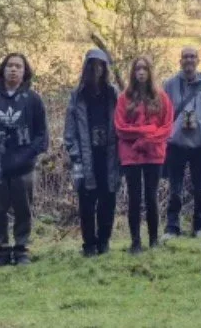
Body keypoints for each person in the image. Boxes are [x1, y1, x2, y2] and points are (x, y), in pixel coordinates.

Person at [0, 53, 48, 268]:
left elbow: (42, 135)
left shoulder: (33, 100)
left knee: (24, 208)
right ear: (2, 70)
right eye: (10, 66)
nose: (14, 70)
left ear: (25, 72)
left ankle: (21, 249)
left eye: (18, 67)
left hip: (23, 166)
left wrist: (27, 156)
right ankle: (2, 251)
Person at [64, 49, 121, 257]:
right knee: (86, 203)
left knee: (108, 201)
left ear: (105, 68)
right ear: (86, 67)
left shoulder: (113, 94)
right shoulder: (77, 95)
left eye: (100, 65)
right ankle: (89, 245)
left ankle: (104, 242)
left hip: (109, 157)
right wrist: (75, 156)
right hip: (86, 158)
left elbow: (122, 123)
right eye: (93, 65)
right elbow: (69, 131)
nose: (96, 69)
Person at [161, 47, 201, 239]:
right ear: (180, 61)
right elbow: (161, 115)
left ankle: (200, 226)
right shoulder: (169, 85)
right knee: (175, 190)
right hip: (175, 145)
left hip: (200, 146)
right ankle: (172, 228)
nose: (189, 60)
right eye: (185, 57)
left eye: (192, 57)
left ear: (198, 60)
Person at [115, 56, 174, 254]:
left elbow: (166, 128)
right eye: (137, 69)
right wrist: (146, 131)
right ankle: (135, 242)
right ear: (132, 73)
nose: (141, 72)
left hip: (153, 154)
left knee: (151, 197)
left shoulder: (162, 98)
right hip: (131, 155)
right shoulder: (124, 98)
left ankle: (154, 240)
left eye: (144, 69)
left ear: (150, 72)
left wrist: (146, 139)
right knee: (134, 198)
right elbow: (121, 128)